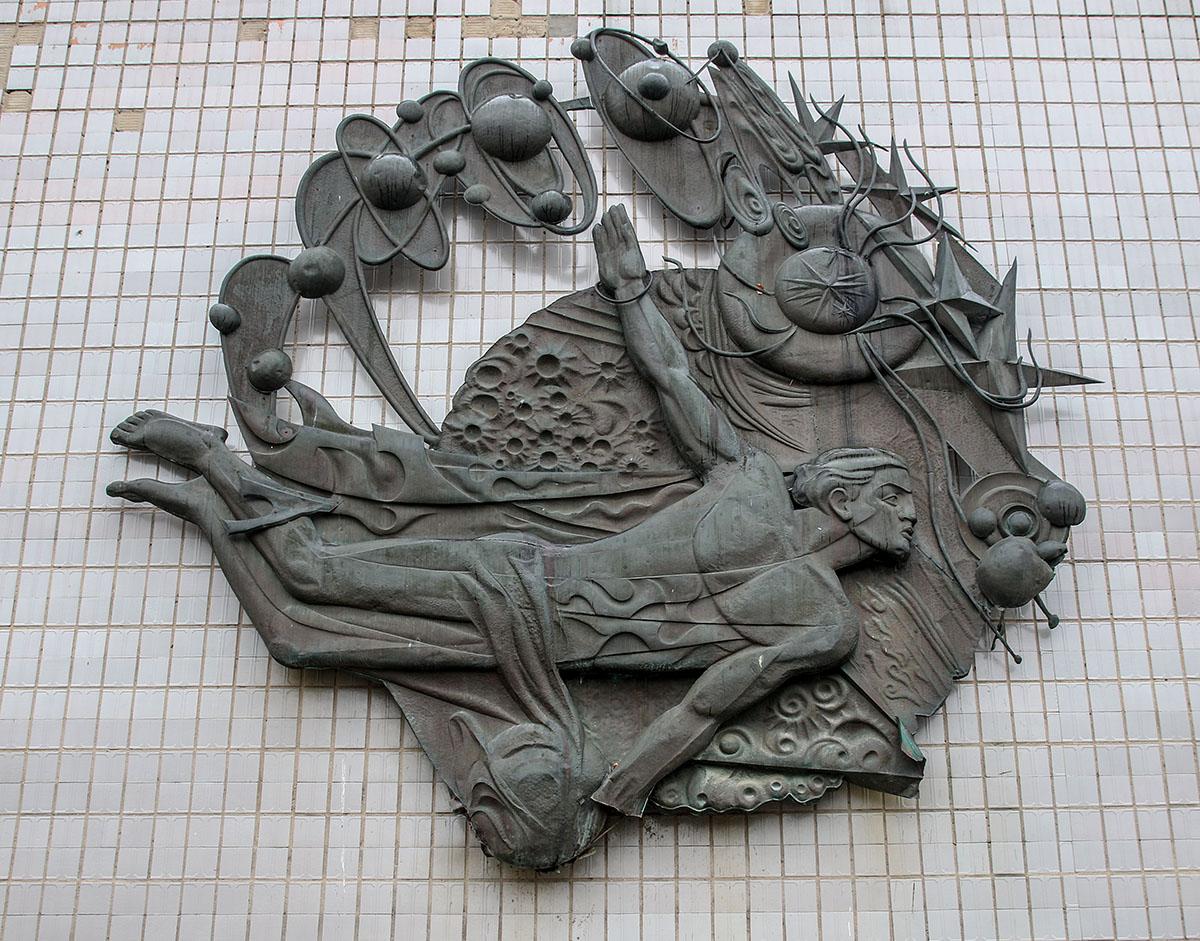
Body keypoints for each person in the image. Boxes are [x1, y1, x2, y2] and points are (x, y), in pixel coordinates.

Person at [108, 205, 917, 825]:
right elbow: (672, 379)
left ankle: (215, 476)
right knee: (314, 577)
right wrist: (630, 289)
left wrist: (629, 778)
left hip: (527, 626)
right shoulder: (754, 490)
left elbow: (713, 700)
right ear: (843, 496)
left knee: (307, 620)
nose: (911, 519)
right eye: (896, 496)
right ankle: (217, 464)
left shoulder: (823, 616)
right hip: (521, 583)